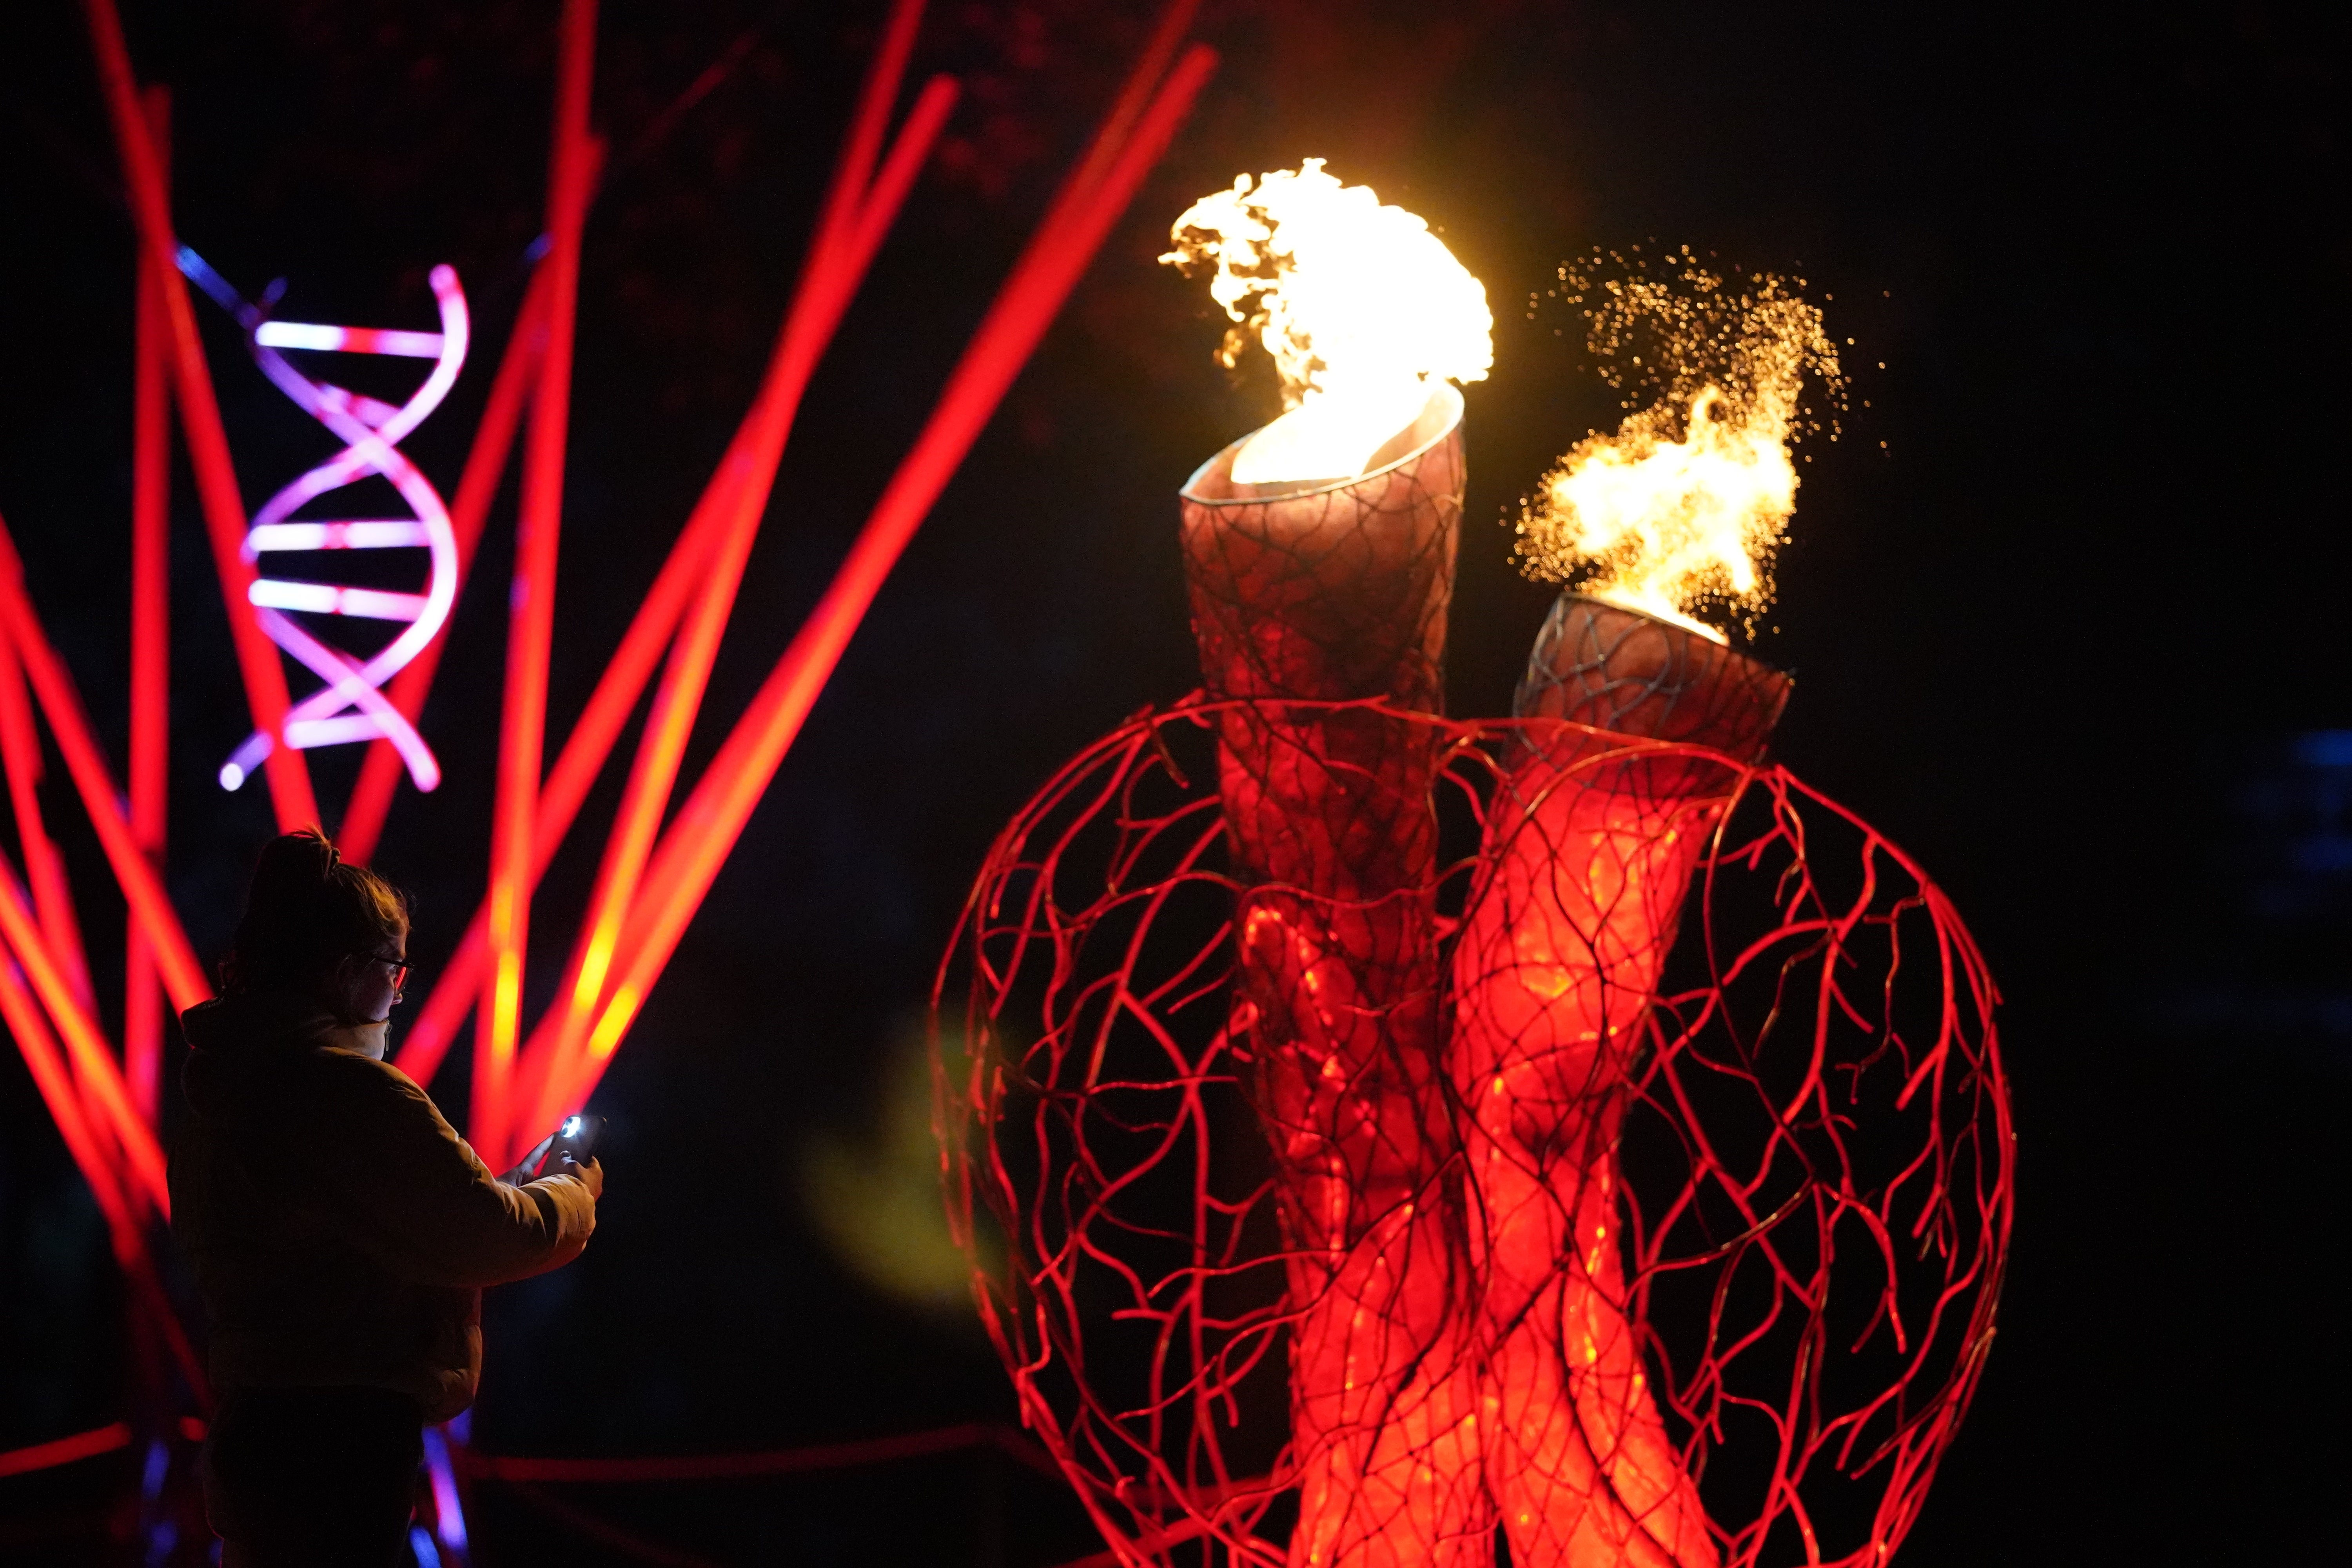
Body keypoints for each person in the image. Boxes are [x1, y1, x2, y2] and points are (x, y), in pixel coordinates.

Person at [172, 829, 602, 1566]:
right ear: (347, 971)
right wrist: (570, 1195)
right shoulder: (347, 1092)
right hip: (339, 1441)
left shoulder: (225, 1088)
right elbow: (483, 1235)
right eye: (395, 969)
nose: (402, 990)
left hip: (255, 1422)